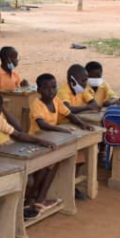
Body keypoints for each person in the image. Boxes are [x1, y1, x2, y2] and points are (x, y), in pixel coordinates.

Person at [28, 73, 94, 211]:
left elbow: (69, 114)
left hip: (51, 140)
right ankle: (32, 198)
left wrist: (82, 124)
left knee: (55, 163)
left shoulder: (56, 100)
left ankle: (40, 197)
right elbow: (42, 124)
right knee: (46, 166)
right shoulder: (37, 104)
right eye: (46, 88)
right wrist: (60, 130)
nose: (51, 91)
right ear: (39, 90)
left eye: (53, 87)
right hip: (37, 141)